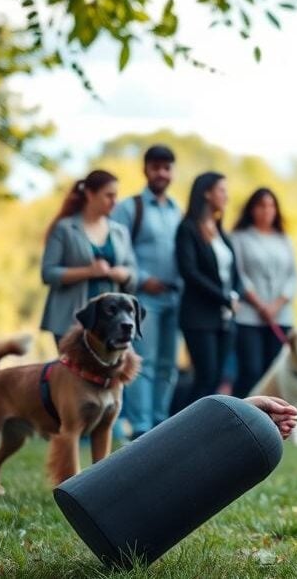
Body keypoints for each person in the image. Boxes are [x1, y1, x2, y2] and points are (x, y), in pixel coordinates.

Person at [111, 145, 182, 439]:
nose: (161, 173)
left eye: (167, 168)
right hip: (143, 300)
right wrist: (141, 279)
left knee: (169, 366)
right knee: (143, 362)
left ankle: (160, 424)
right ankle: (141, 427)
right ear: (146, 170)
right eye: (156, 167)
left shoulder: (178, 210)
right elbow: (116, 250)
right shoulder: (130, 208)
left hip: (175, 298)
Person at [41, 170, 137, 346]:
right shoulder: (65, 229)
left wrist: (124, 274)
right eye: (109, 195)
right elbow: (48, 273)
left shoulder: (120, 232)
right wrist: (88, 272)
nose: (115, 201)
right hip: (70, 322)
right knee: (73, 365)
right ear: (90, 194)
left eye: (116, 196)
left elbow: (133, 272)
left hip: (111, 325)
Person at [175, 172, 244, 406]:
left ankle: (205, 425)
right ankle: (183, 423)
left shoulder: (220, 231)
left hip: (224, 318)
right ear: (206, 193)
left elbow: (234, 272)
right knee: (204, 377)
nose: (226, 196)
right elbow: (190, 272)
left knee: (215, 379)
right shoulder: (188, 229)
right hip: (198, 317)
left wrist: (234, 295)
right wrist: (224, 298)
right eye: (222, 190)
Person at [231, 187, 297, 397]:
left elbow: (293, 276)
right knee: (251, 370)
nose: (266, 210)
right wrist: (260, 305)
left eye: (271, 206)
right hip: (249, 316)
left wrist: (276, 305)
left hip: (281, 316)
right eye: (261, 205)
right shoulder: (239, 238)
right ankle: (238, 411)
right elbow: (239, 274)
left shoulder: (284, 239)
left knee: (275, 372)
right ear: (251, 209)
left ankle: (272, 415)